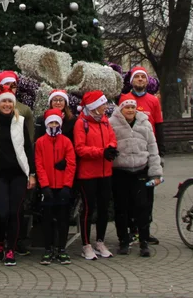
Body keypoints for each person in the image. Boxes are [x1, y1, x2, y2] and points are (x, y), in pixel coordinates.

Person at [0, 89, 35, 266]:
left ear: (13, 104)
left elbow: (28, 148)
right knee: (1, 213)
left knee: (15, 212)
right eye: (3, 102)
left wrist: (32, 174)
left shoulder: (20, 121)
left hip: (18, 173)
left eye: (10, 102)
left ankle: (10, 248)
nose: (7, 105)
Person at [110, 94, 163, 257]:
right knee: (121, 208)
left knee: (142, 207)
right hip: (120, 171)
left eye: (133, 107)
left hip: (140, 170)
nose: (130, 110)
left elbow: (153, 149)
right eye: (127, 107)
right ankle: (124, 241)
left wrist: (156, 173)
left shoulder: (145, 124)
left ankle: (144, 242)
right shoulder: (112, 124)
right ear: (121, 109)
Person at [74, 90, 118, 261]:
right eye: (103, 104)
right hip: (88, 174)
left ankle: (100, 242)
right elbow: (80, 148)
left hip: (105, 172)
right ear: (94, 107)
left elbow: (112, 138)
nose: (106, 107)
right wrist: (101, 152)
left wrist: (111, 148)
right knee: (88, 209)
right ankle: (86, 245)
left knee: (103, 209)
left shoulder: (105, 121)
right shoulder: (81, 123)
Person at [35, 108, 76, 266]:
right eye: (50, 122)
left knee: (63, 219)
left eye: (56, 122)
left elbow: (71, 164)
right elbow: (39, 165)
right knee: (47, 219)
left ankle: (62, 249)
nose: (53, 125)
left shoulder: (66, 141)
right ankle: (48, 249)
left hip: (62, 187)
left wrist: (67, 185)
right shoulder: (40, 142)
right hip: (48, 188)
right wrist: (44, 185)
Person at [127, 67, 165, 154]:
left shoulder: (154, 100)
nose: (140, 79)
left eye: (143, 77)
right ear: (132, 81)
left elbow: (158, 125)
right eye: (136, 76)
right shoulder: (124, 99)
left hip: (150, 147)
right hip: (131, 148)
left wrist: (161, 151)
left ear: (147, 81)